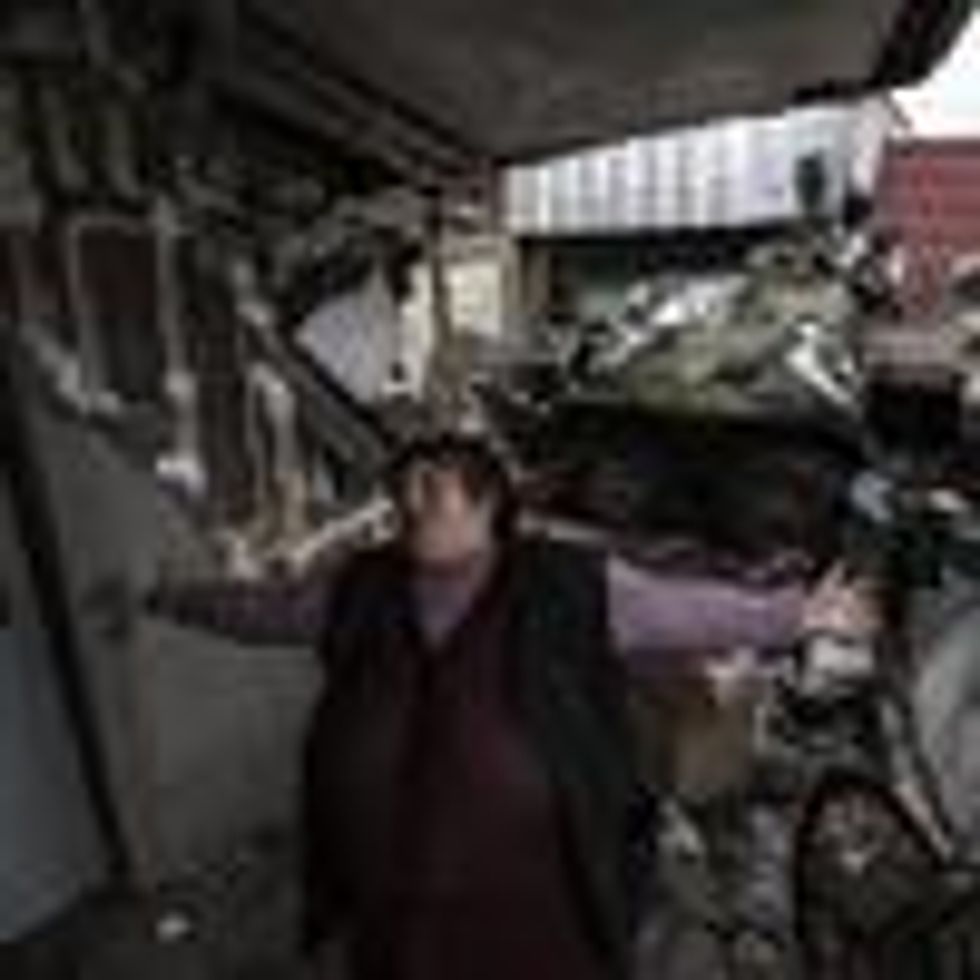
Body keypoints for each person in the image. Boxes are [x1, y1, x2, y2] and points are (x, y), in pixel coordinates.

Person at [145, 433, 874, 980]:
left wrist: (797, 614)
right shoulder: (363, 585)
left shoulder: (567, 582)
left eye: (434, 487)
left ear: (488, 503)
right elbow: (269, 612)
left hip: (530, 885)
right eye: (405, 488)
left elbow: (679, 610)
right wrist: (170, 599)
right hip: (393, 879)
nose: (412, 502)